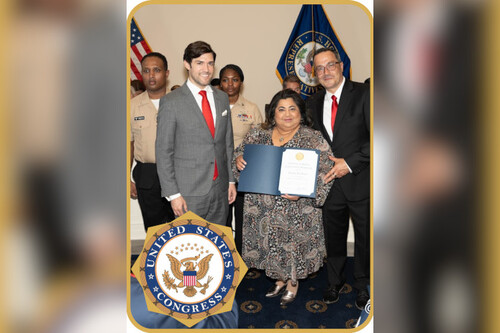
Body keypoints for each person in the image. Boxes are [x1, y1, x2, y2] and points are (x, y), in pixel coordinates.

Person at [234, 89, 333, 306]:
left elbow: (328, 171)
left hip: (299, 208)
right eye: (281, 109)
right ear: (273, 113)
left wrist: (307, 191)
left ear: (300, 112)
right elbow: (237, 156)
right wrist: (239, 159)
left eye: (292, 109)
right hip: (263, 208)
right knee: (271, 244)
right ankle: (279, 279)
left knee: (293, 245)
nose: (287, 114)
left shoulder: (313, 138)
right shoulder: (256, 135)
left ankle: (292, 283)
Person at [306, 48, 370, 310]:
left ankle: (363, 285)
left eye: (329, 65)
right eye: (319, 68)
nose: (325, 72)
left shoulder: (365, 94)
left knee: (366, 237)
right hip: (328, 183)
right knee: (333, 236)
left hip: (361, 180)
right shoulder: (313, 102)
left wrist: (350, 163)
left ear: (341, 65)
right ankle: (334, 281)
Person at [156, 41, 236, 226]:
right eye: (200, 63)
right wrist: (173, 194)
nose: (206, 69)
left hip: (220, 189)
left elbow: (227, 143)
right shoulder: (171, 102)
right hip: (188, 193)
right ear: (187, 64)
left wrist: (231, 180)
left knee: (217, 245)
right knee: (190, 249)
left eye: (210, 63)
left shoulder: (222, 98)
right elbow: (164, 152)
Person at [219, 64, 263, 253]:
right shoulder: (211, 106)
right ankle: (223, 255)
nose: (230, 84)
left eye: (235, 79)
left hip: (244, 170)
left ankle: (241, 257)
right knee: (222, 217)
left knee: (244, 215)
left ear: (241, 83)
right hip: (218, 170)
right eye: (225, 79)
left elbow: (261, 140)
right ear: (220, 83)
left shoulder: (251, 108)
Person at [130, 52, 175, 231]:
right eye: (146, 71)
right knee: (153, 230)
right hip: (147, 174)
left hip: (177, 173)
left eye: (156, 70)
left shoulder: (180, 103)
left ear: (167, 73)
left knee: (180, 228)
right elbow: (128, 145)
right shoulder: (131, 106)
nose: (151, 75)